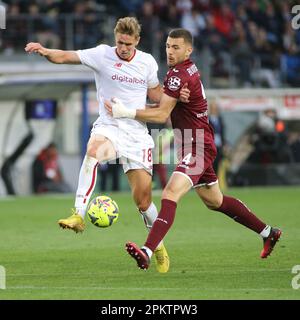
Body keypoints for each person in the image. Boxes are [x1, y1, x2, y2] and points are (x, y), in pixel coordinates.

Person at [105, 28, 282, 271]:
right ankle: (268, 232)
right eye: (167, 46)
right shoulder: (187, 69)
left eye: (176, 47)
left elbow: (161, 113)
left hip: (196, 144)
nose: (169, 51)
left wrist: (125, 111)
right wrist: (174, 99)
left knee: (169, 194)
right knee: (214, 200)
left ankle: (147, 251)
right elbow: (168, 103)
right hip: (197, 141)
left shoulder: (178, 75)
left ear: (189, 49)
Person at [25, 17, 189, 274]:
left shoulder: (147, 62)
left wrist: (178, 96)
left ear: (137, 41)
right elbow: (66, 57)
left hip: (137, 135)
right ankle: (78, 214)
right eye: (119, 42)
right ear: (115, 38)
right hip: (109, 127)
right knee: (92, 153)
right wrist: (46, 52)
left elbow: (156, 95)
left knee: (143, 202)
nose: (122, 47)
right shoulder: (102, 54)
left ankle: (158, 247)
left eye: (127, 43)